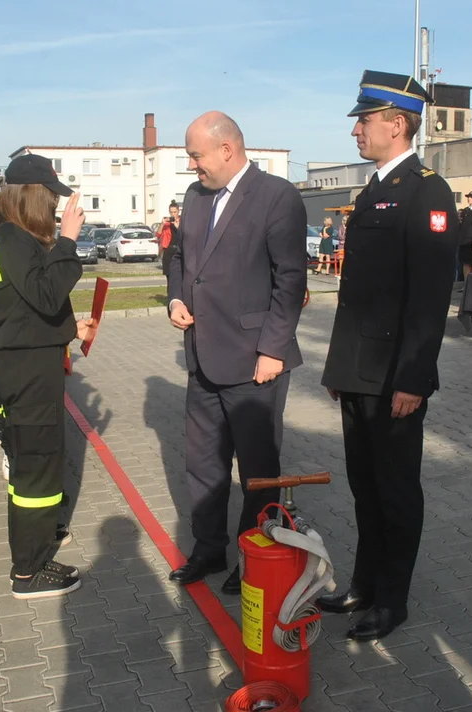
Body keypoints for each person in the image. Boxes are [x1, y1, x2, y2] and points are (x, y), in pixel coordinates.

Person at [317, 71, 459, 641]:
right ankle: (363, 585)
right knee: (365, 486)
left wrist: (414, 379)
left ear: (396, 124)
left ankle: (391, 600)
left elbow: (428, 299)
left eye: (365, 119)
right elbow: (358, 296)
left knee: (397, 491)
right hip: (360, 372)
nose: (356, 129)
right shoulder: (375, 188)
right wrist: (340, 368)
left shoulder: (428, 190)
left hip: (396, 376)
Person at [166, 111, 307, 596]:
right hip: (203, 356)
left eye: (196, 155)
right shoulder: (195, 196)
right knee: (203, 462)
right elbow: (182, 260)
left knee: (257, 471)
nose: (192, 166)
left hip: (255, 362)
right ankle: (208, 549)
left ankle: (253, 557)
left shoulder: (277, 197)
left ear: (227, 149)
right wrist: (176, 297)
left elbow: (291, 279)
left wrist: (272, 349)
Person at [0, 153, 95, 599]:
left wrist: (69, 329)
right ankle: (28, 570)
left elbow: (23, 310)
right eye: (50, 199)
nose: (53, 207)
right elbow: (46, 293)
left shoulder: (12, 237)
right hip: (26, 374)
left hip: (25, 366)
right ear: (31, 196)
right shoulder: (15, 240)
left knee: (35, 465)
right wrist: (67, 241)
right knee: (36, 470)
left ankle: (38, 541)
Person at [157, 200, 181, 276]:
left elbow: (186, 235)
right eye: (171, 212)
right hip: (168, 250)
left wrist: (178, 227)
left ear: (178, 211)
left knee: (179, 276)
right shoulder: (167, 223)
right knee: (169, 276)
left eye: (175, 212)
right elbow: (158, 235)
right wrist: (162, 224)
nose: (173, 214)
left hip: (179, 250)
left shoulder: (183, 221)